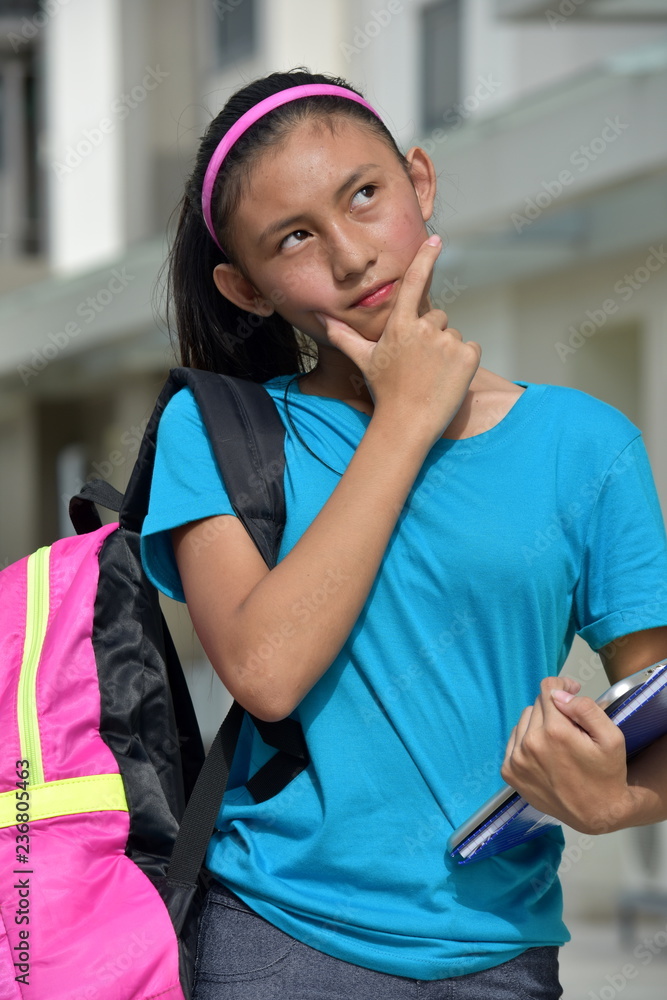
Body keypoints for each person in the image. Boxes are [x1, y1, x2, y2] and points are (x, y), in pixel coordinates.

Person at [140, 68, 667, 999]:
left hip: (501, 957)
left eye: (365, 196)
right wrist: (403, 418)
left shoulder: (583, 445)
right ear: (246, 288)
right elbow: (264, 671)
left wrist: (614, 800)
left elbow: (654, 712)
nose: (350, 256)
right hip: (275, 944)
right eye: (294, 238)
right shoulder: (213, 428)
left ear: (419, 183)